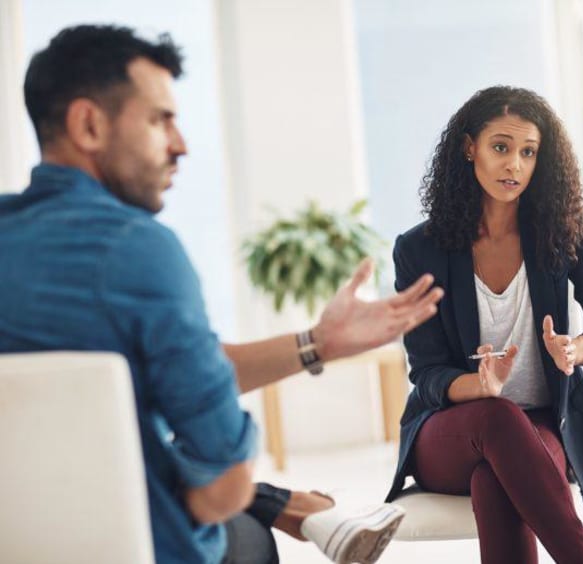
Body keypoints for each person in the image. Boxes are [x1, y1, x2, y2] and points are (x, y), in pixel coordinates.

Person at [0, 25, 444, 564]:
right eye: (160, 120)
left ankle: (296, 506)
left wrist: (317, 343)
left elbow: (176, 371)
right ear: (89, 124)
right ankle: (298, 509)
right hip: (138, 546)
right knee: (245, 531)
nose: (181, 144)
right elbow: (222, 489)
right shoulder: (136, 250)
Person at [384, 85, 583, 563]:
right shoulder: (420, 249)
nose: (514, 166)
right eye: (500, 147)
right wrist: (478, 386)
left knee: (496, 478)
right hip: (448, 430)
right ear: (469, 148)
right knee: (499, 417)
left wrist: (575, 350)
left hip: (541, 423)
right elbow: (428, 372)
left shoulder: (566, 231)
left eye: (528, 152)